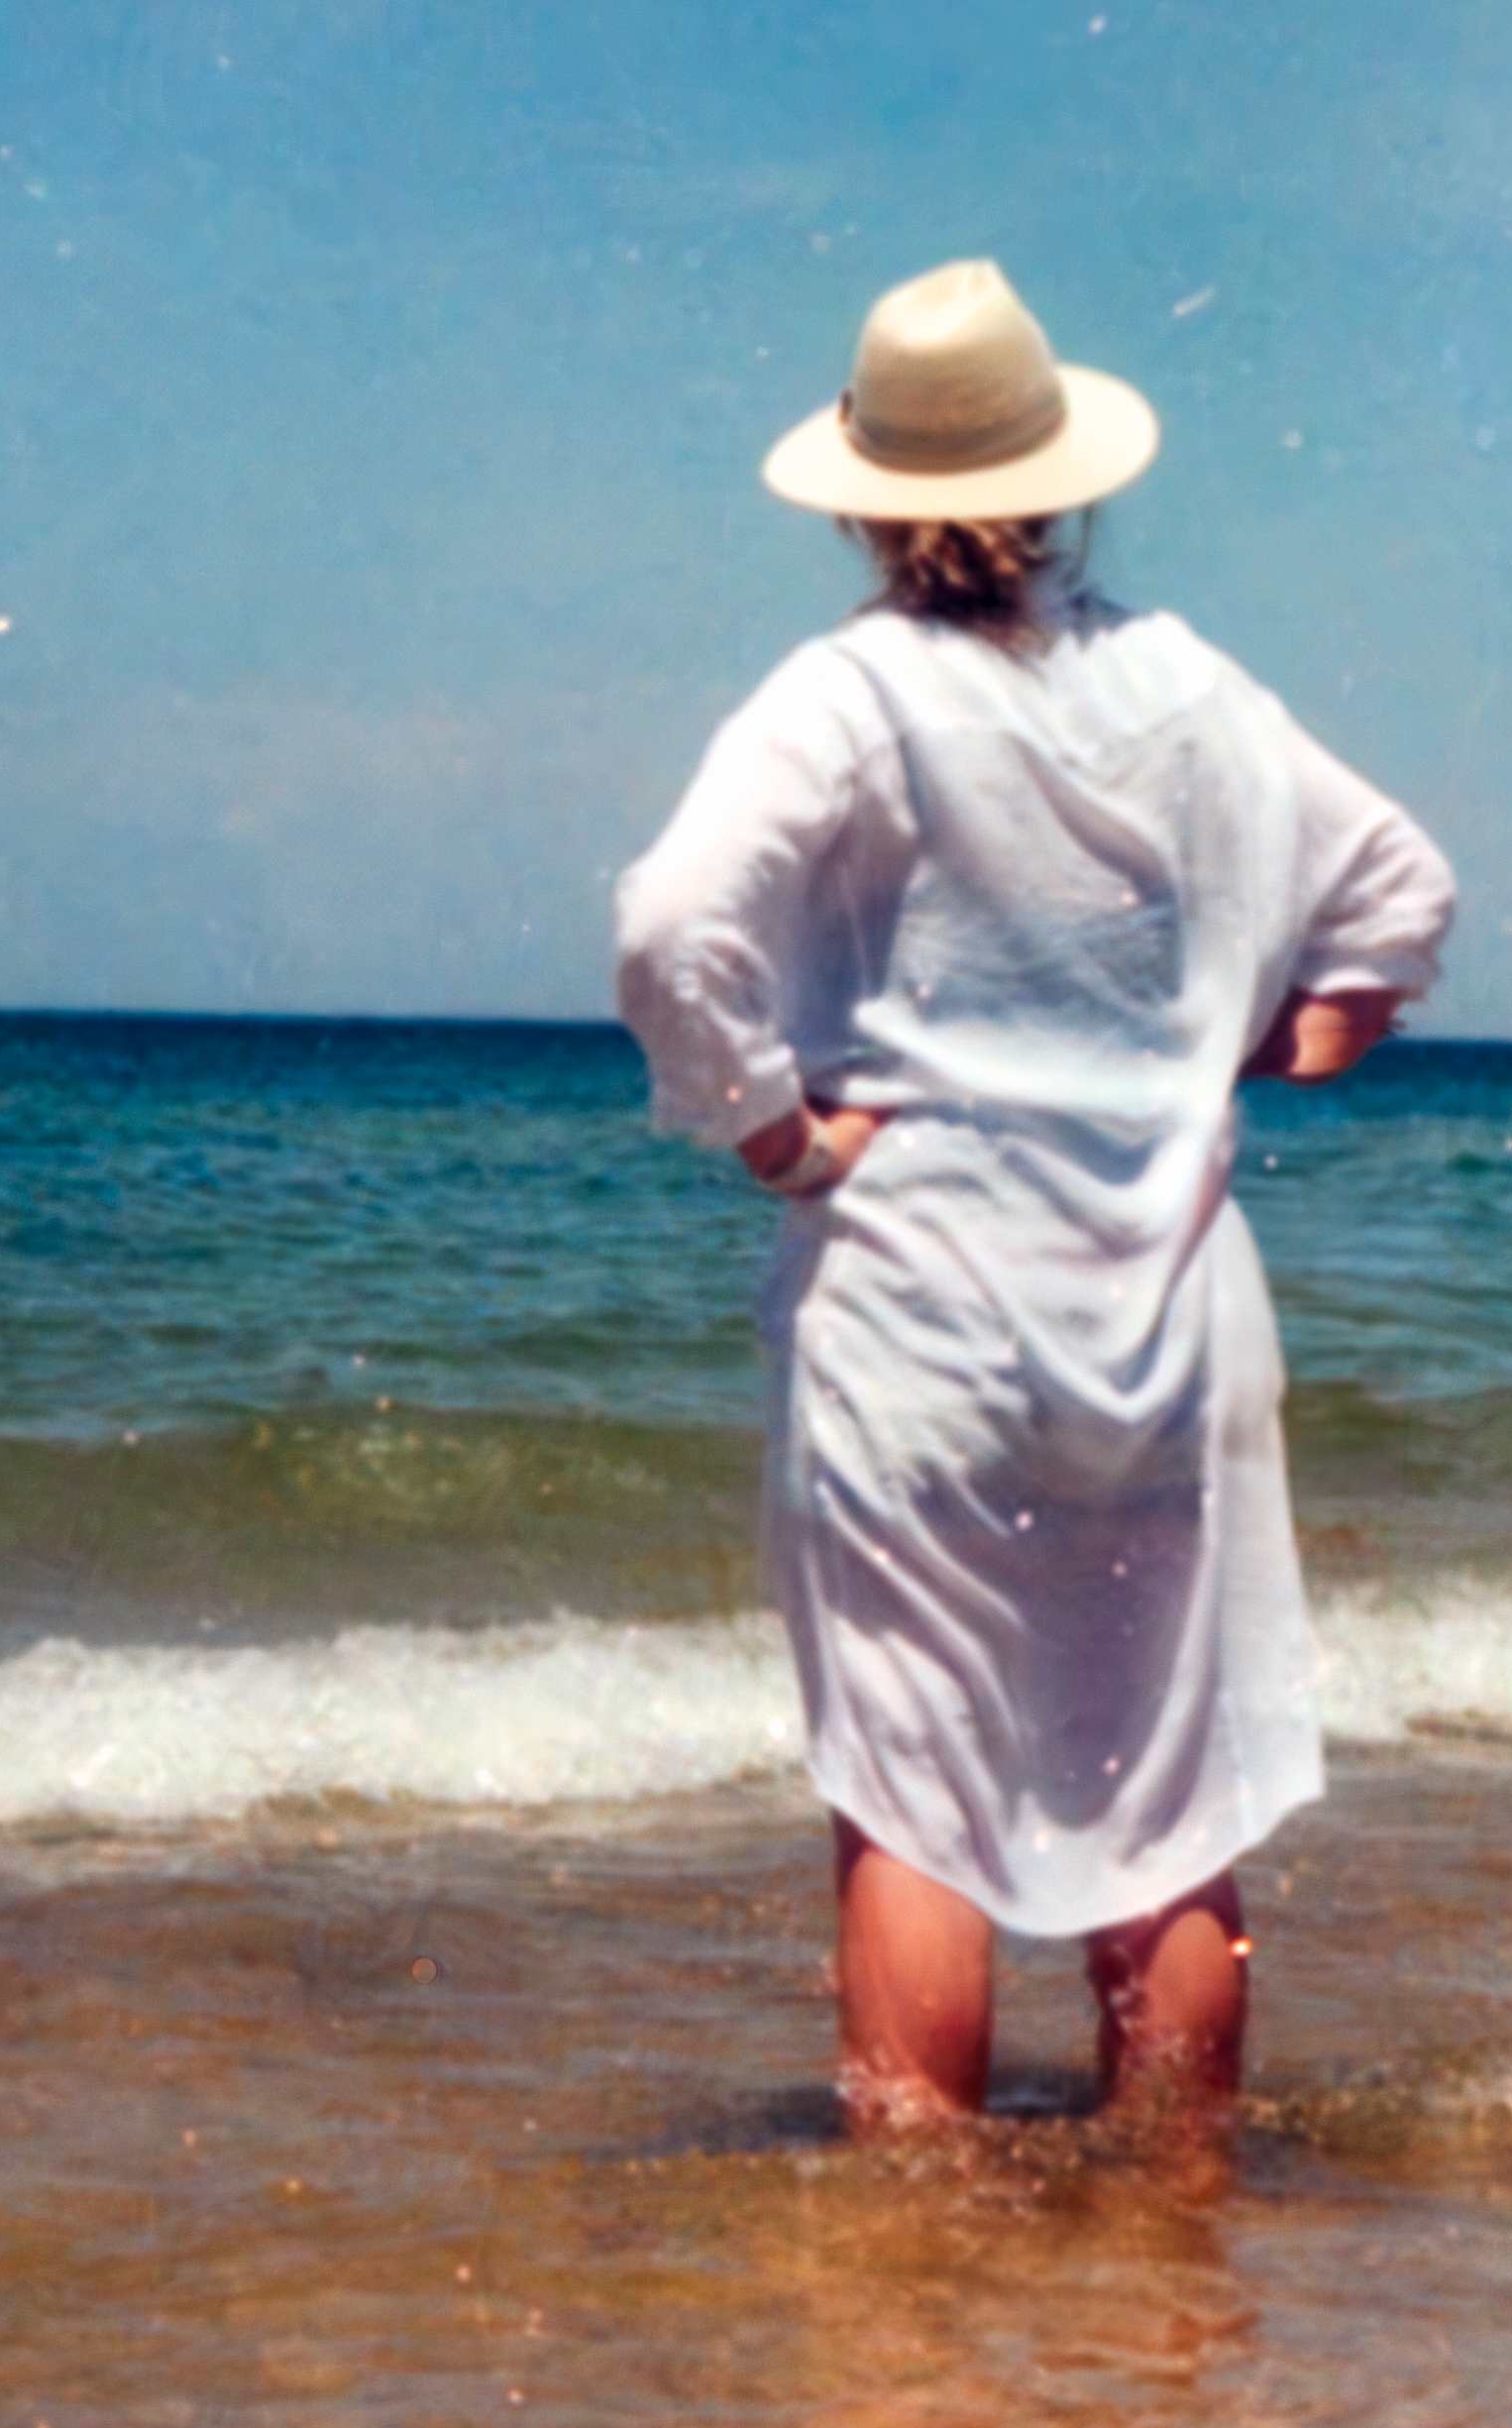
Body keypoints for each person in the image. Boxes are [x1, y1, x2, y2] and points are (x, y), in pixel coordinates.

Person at [613, 257, 1455, 2130]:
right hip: (1165, 1315)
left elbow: (670, 925)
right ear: (1063, 477)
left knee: (917, 1798)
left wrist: (769, 1131)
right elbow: (1401, 888)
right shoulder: (1195, 687)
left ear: (862, 494)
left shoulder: (847, 694)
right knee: (1163, 1799)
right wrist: (1270, 1044)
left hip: (920, 1311)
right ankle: (1170, 2244)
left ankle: (927, 2265)